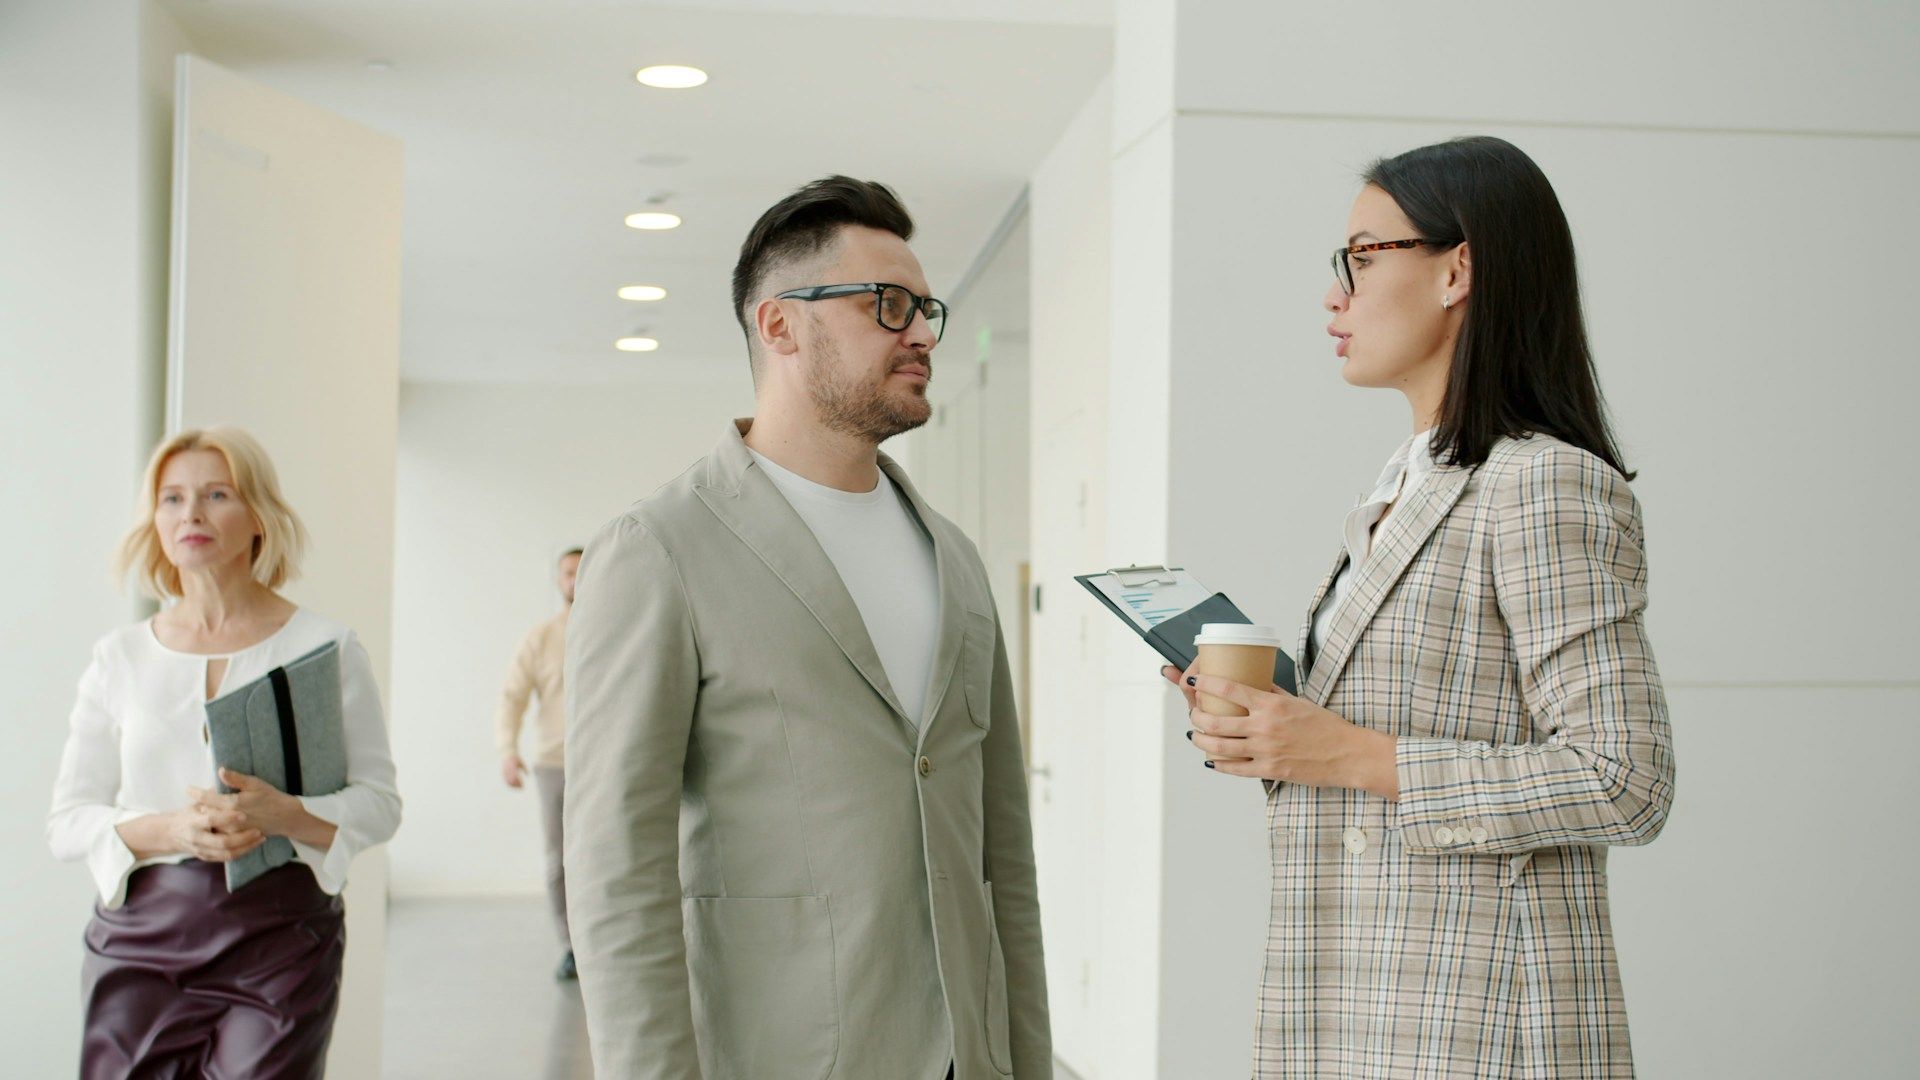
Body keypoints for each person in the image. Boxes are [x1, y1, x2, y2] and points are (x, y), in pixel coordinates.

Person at [1164, 137, 1677, 1077]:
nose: (1334, 295)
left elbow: (1624, 778)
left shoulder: (1545, 483)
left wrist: (1352, 753)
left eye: (1359, 259)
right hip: (1363, 991)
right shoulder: (1413, 480)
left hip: (1482, 1020)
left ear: (1459, 269)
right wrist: (1271, 724)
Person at [565, 176, 1049, 1079]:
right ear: (780, 325)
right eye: (889, 305)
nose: (921, 335)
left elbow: (1003, 857)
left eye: (926, 309)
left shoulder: (955, 558)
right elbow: (614, 870)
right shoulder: (660, 549)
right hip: (777, 1050)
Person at [47, 426, 402, 1079]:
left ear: (259, 516)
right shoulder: (119, 658)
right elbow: (67, 822)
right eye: (173, 499)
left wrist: (282, 814)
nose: (193, 515)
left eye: (216, 494)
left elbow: (380, 807)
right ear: (155, 521)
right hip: (140, 941)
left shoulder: (326, 647)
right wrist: (170, 828)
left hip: (281, 940)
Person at [496, 546, 583, 981]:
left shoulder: (618, 630)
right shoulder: (542, 638)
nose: (575, 579)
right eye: (568, 572)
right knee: (560, 861)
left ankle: (604, 942)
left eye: (583, 571)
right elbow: (512, 696)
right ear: (558, 580)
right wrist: (506, 750)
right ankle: (571, 946)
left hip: (607, 766)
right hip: (555, 764)